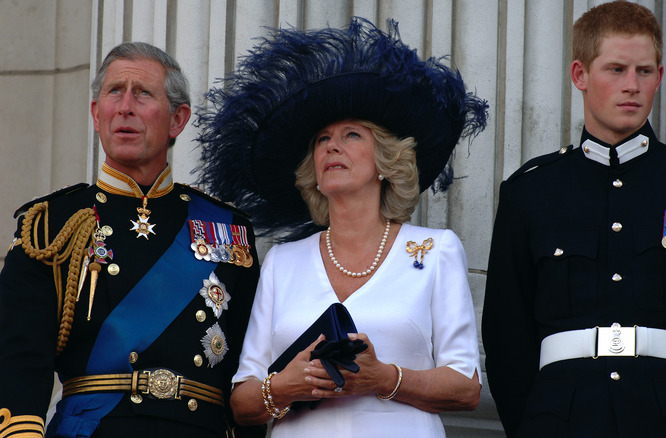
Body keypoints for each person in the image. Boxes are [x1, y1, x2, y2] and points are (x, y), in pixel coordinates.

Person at [194, 17, 487, 437]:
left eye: (351, 135)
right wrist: (283, 387)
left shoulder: (435, 249)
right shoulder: (282, 261)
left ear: (386, 162)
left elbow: (466, 387)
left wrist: (384, 378)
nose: (332, 145)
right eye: (321, 140)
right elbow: (242, 400)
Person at [482, 2, 666, 437]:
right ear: (580, 75)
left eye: (644, 71)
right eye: (615, 69)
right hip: (559, 420)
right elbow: (506, 340)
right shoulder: (530, 191)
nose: (632, 85)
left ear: (660, 77)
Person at [0, 42, 261, 438]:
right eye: (114, 92)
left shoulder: (228, 230)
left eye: (143, 93)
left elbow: (247, 366)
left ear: (177, 119)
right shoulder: (52, 225)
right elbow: (20, 357)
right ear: (96, 113)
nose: (125, 107)